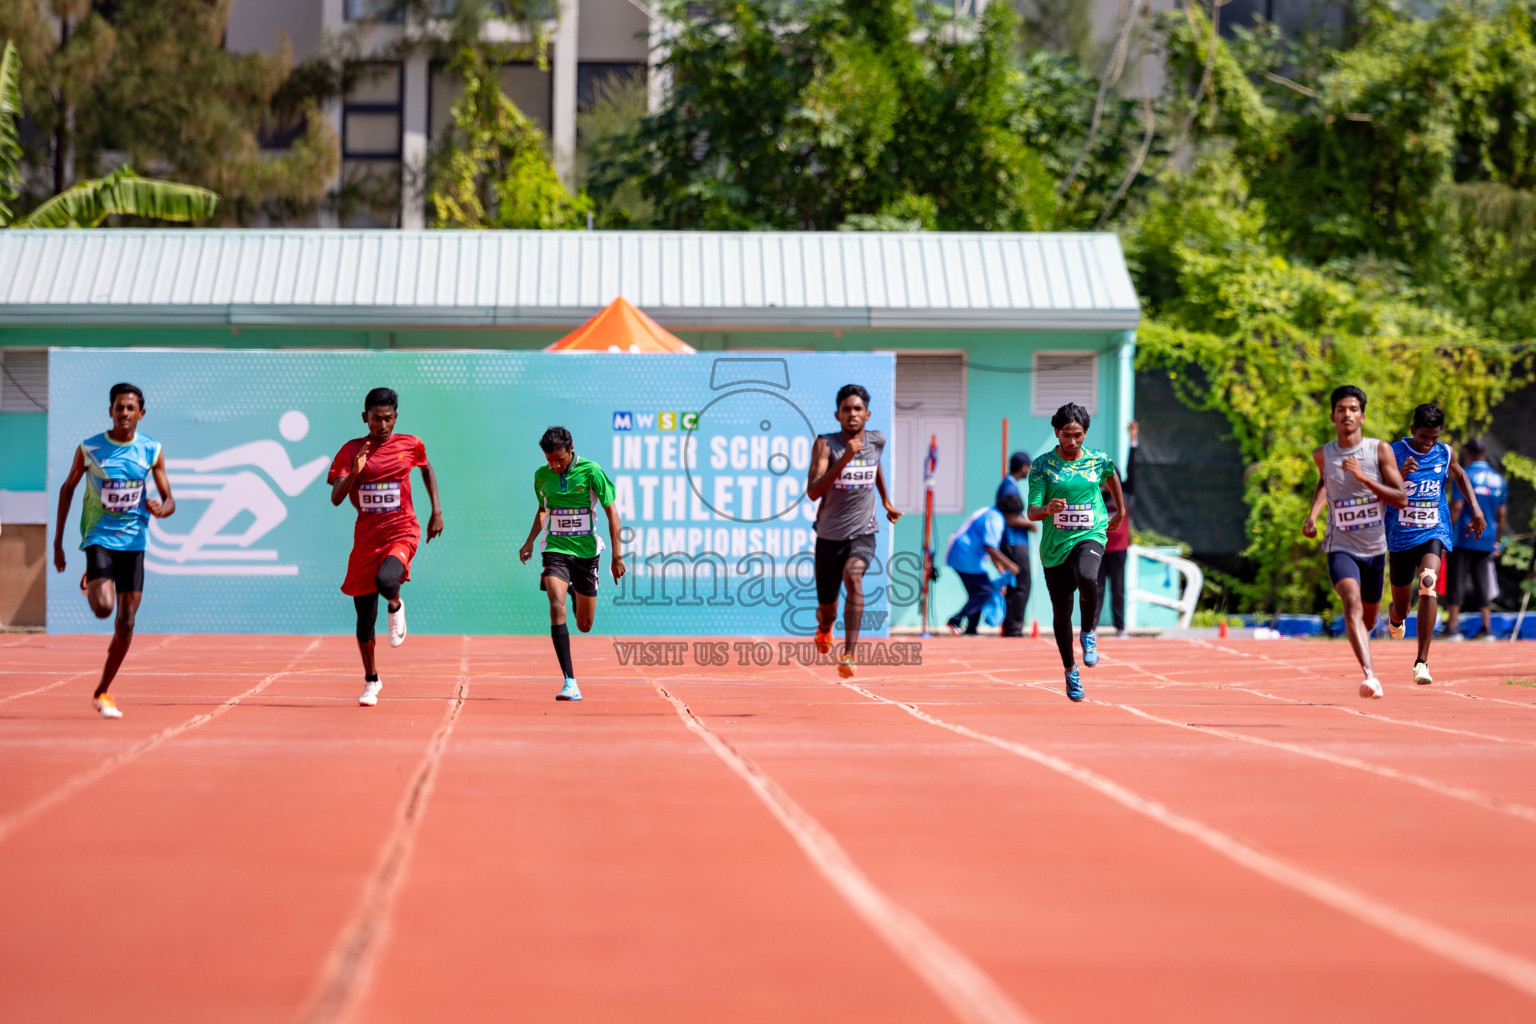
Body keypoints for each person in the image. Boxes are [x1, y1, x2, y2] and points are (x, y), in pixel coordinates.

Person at [52, 383, 177, 719]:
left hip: (135, 542)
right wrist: (58, 542)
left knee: (126, 622)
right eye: (119, 408)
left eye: (130, 408)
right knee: (104, 609)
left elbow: (170, 500)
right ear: (111, 411)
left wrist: (162, 508)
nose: (124, 414)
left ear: (141, 413)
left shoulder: (151, 449)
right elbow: (67, 489)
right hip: (99, 537)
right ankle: (93, 576)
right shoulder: (90, 448)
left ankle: (103, 690)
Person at [328, 387, 444, 707]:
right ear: (365, 417)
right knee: (364, 621)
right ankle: (371, 680)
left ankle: (395, 604)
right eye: (376, 419)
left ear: (395, 417)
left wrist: (436, 510)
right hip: (366, 539)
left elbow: (426, 468)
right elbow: (336, 498)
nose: (382, 425)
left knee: (386, 581)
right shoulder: (351, 450)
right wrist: (355, 471)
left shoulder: (410, 444)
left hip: (401, 530)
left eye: (388, 419)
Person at [1302, 385, 1407, 699]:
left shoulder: (1379, 451)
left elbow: (1400, 498)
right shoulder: (1323, 454)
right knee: (1350, 602)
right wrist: (1312, 515)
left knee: (1369, 617)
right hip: (1340, 545)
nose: (1346, 414)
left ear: (1362, 416)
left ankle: (1381, 630)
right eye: (1340, 409)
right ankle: (1370, 676)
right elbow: (1324, 482)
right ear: (1333, 415)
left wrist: (1364, 479)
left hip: (1375, 549)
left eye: (1352, 409)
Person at [518, 426, 625, 701]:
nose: (554, 466)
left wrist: (617, 556)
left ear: (571, 449)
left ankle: (573, 588)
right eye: (549, 460)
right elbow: (543, 510)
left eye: (560, 460)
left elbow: (612, 512)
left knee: (585, 624)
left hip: (586, 554)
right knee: (556, 607)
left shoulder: (591, 471)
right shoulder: (542, 476)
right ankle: (570, 681)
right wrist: (530, 540)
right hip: (555, 548)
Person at [1027, 403, 1124, 702]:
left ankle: (1089, 633)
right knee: (1061, 612)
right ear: (1056, 432)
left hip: (1089, 532)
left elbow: (1111, 477)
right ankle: (1070, 669)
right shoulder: (1042, 466)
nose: (1072, 442)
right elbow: (1031, 512)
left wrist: (1119, 511)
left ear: (1085, 434)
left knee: (1087, 576)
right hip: (1056, 546)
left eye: (1078, 435)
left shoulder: (1098, 460)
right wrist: (1046, 509)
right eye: (1066, 435)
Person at [1384, 404, 1484, 684]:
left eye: (1434, 437)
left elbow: (1460, 475)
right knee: (1402, 607)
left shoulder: (1445, 452)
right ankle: (1395, 617)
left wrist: (1475, 510)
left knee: (1428, 583)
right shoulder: (1393, 453)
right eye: (1424, 437)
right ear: (1413, 430)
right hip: (1401, 536)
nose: (1429, 443)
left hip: (1433, 530)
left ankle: (1421, 663)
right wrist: (1400, 475)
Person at [806, 384, 901, 678]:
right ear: (837, 414)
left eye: (857, 409)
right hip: (829, 536)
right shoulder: (825, 444)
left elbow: (875, 466)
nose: (852, 414)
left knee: (854, 577)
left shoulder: (877, 440)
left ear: (868, 414)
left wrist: (885, 500)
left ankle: (849, 654)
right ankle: (824, 629)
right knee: (828, 610)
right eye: (846, 409)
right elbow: (813, 492)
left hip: (863, 530)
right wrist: (845, 457)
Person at [1445, 437, 1508, 641]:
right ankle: (1486, 628)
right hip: (1487, 536)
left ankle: (1453, 628)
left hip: (1462, 535)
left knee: (1457, 579)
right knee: (1482, 581)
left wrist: (1444, 531)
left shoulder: (1464, 475)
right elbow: (1501, 514)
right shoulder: (1499, 479)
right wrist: (1496, 540)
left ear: (1467, 454)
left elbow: (1456, 507)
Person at [944, 494, 1023, 636]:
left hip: (965, 556)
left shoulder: (991, 512)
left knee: (977, 593)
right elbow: (990, 547)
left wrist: (999, 567)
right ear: (1011, 513)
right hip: (966, 557)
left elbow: (990, 548)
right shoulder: (996, 520)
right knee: (985, 591)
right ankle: (956, 620)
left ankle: (971, 629)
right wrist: (1010, 565)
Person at [1095, 420, 1139, 637]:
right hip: (1099, 547)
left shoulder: (1126, 494)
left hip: (1119, 548)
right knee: (1096, 588)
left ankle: (1120, 628)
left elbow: (1133, 469)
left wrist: (1133, 441)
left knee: (1118, 589)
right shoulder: (1096, 496)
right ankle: (1090, 628)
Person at [995, 453, 1036, 636]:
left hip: (1015, 541)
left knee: (1016, 584)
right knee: (1022, 584)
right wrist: (1030, 523)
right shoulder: (1009, 487)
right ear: (1023, 467)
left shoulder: (1009, 485)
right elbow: (1010, 518)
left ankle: (1012, 626)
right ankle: (1013, 628)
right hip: (1014, 542)